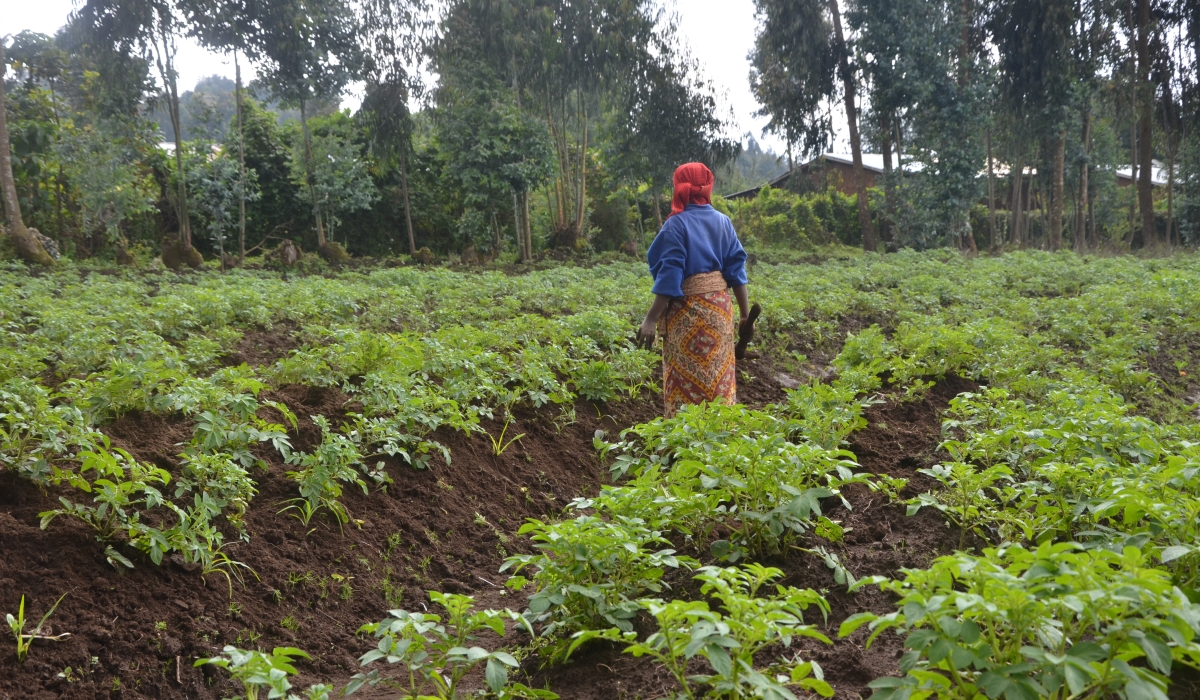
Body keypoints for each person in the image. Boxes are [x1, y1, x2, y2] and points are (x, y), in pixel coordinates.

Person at [637, 162, 750, 418]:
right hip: (720, 313)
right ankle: (722, 440)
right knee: (718, 378)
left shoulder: (676, 225)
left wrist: (650, 319)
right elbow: (737, 272)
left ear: (678, 186)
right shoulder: (723, 222)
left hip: (687, 314)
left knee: (686, 382)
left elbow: (670, 275)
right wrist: (743, 316)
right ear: (708, 186)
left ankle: (685, 442)